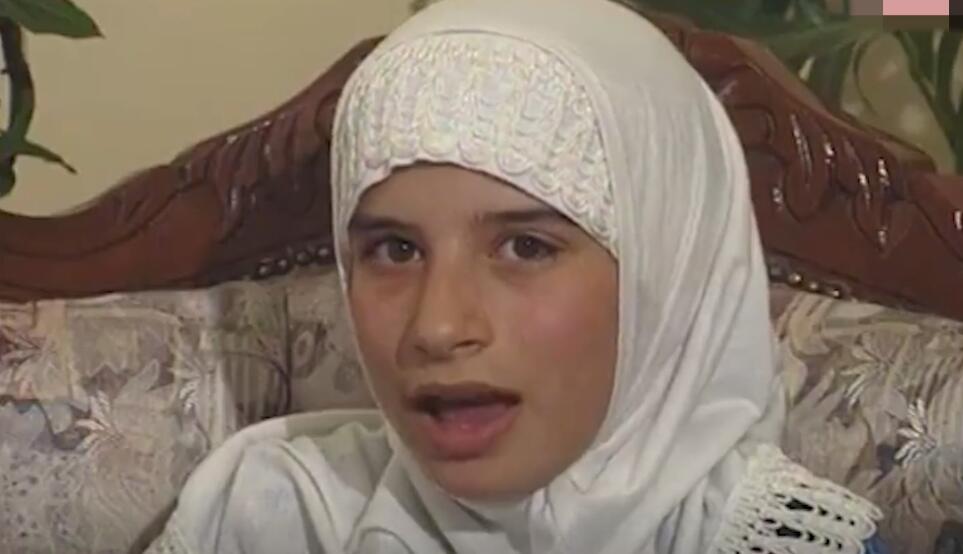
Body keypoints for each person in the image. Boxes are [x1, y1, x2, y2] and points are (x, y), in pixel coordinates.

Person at [145, 0, 891, 552]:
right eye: (395, 251)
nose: (438, 327)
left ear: (666, 285)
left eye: (526, 248)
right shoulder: (268, 516)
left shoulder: (781, 540)